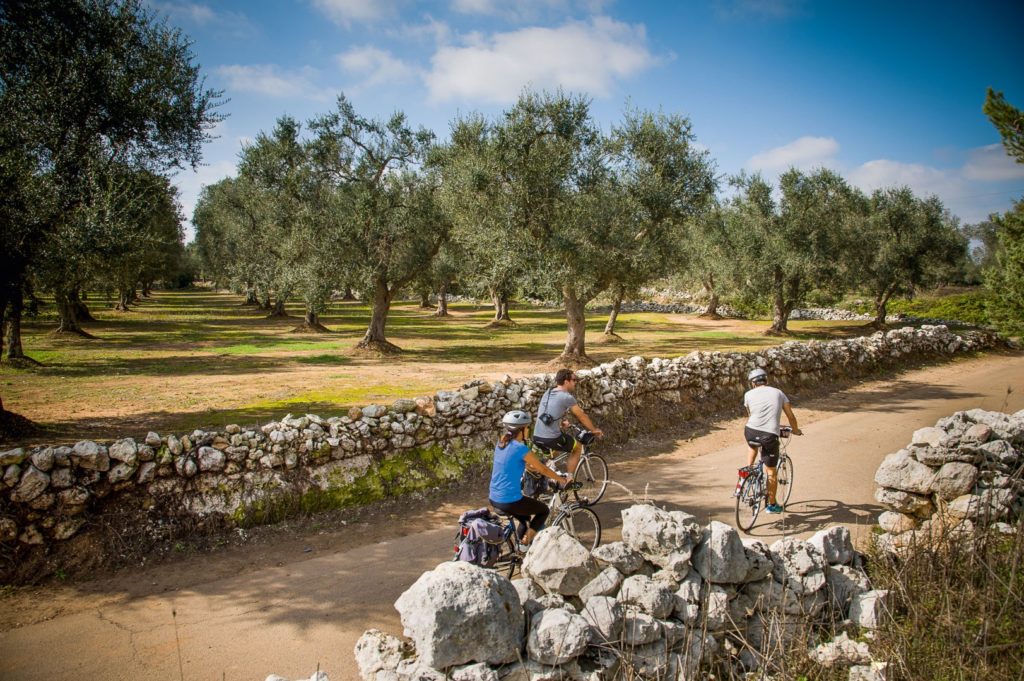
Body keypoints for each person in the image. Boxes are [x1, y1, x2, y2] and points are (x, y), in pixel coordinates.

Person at [489, 410, 568, 550]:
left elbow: (520, 464)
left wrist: (532, 469)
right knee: (543, 510)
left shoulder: (501, 443)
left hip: (494, 497)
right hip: (509, 500)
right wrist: (561, 479)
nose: (528, 430)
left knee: (525, 518)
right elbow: (543, 469)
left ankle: (520, 547)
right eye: (527, 428)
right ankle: (525, 544)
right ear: (522, 430)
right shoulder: (520, 448)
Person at [742, 367, 802, 513]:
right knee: (771, 471)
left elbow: (751, 414)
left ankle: (748, 471)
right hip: (769, 435)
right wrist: (795, 430)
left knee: (752, 445)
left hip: (750, 430)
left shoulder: (748, 394)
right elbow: (790, 416)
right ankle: (772, 505)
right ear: (766, 380)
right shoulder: (778, 393)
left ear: (752, 383)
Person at [532, 368, 604, 478]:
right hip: (551, 437)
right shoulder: (567, 397)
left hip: (537, 436)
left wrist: (560, 423)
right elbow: (582, 416)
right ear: (566, 381)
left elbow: (550, 411)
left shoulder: (549, 391)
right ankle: (569, 479)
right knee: (577, 448)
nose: (576, 382)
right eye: (574, 380)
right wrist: (594, 430)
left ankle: (544, 471)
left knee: (554, 452)